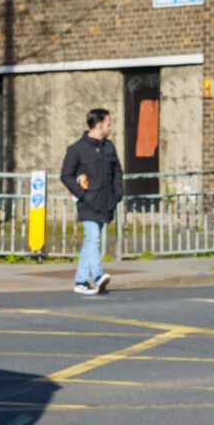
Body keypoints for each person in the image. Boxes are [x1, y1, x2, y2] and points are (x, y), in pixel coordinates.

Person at [59, 108, 123, 296]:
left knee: (90, 242)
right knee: (93, 238)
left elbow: (118, 172)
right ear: (99, 125)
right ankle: (97, 275)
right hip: (88, 203)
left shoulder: (109, 147)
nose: (110, 127)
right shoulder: (76, 149)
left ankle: (80, 281)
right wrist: (83, 194)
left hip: (105, 202)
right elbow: (66, 176)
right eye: (108, 124)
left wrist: (118, 193)